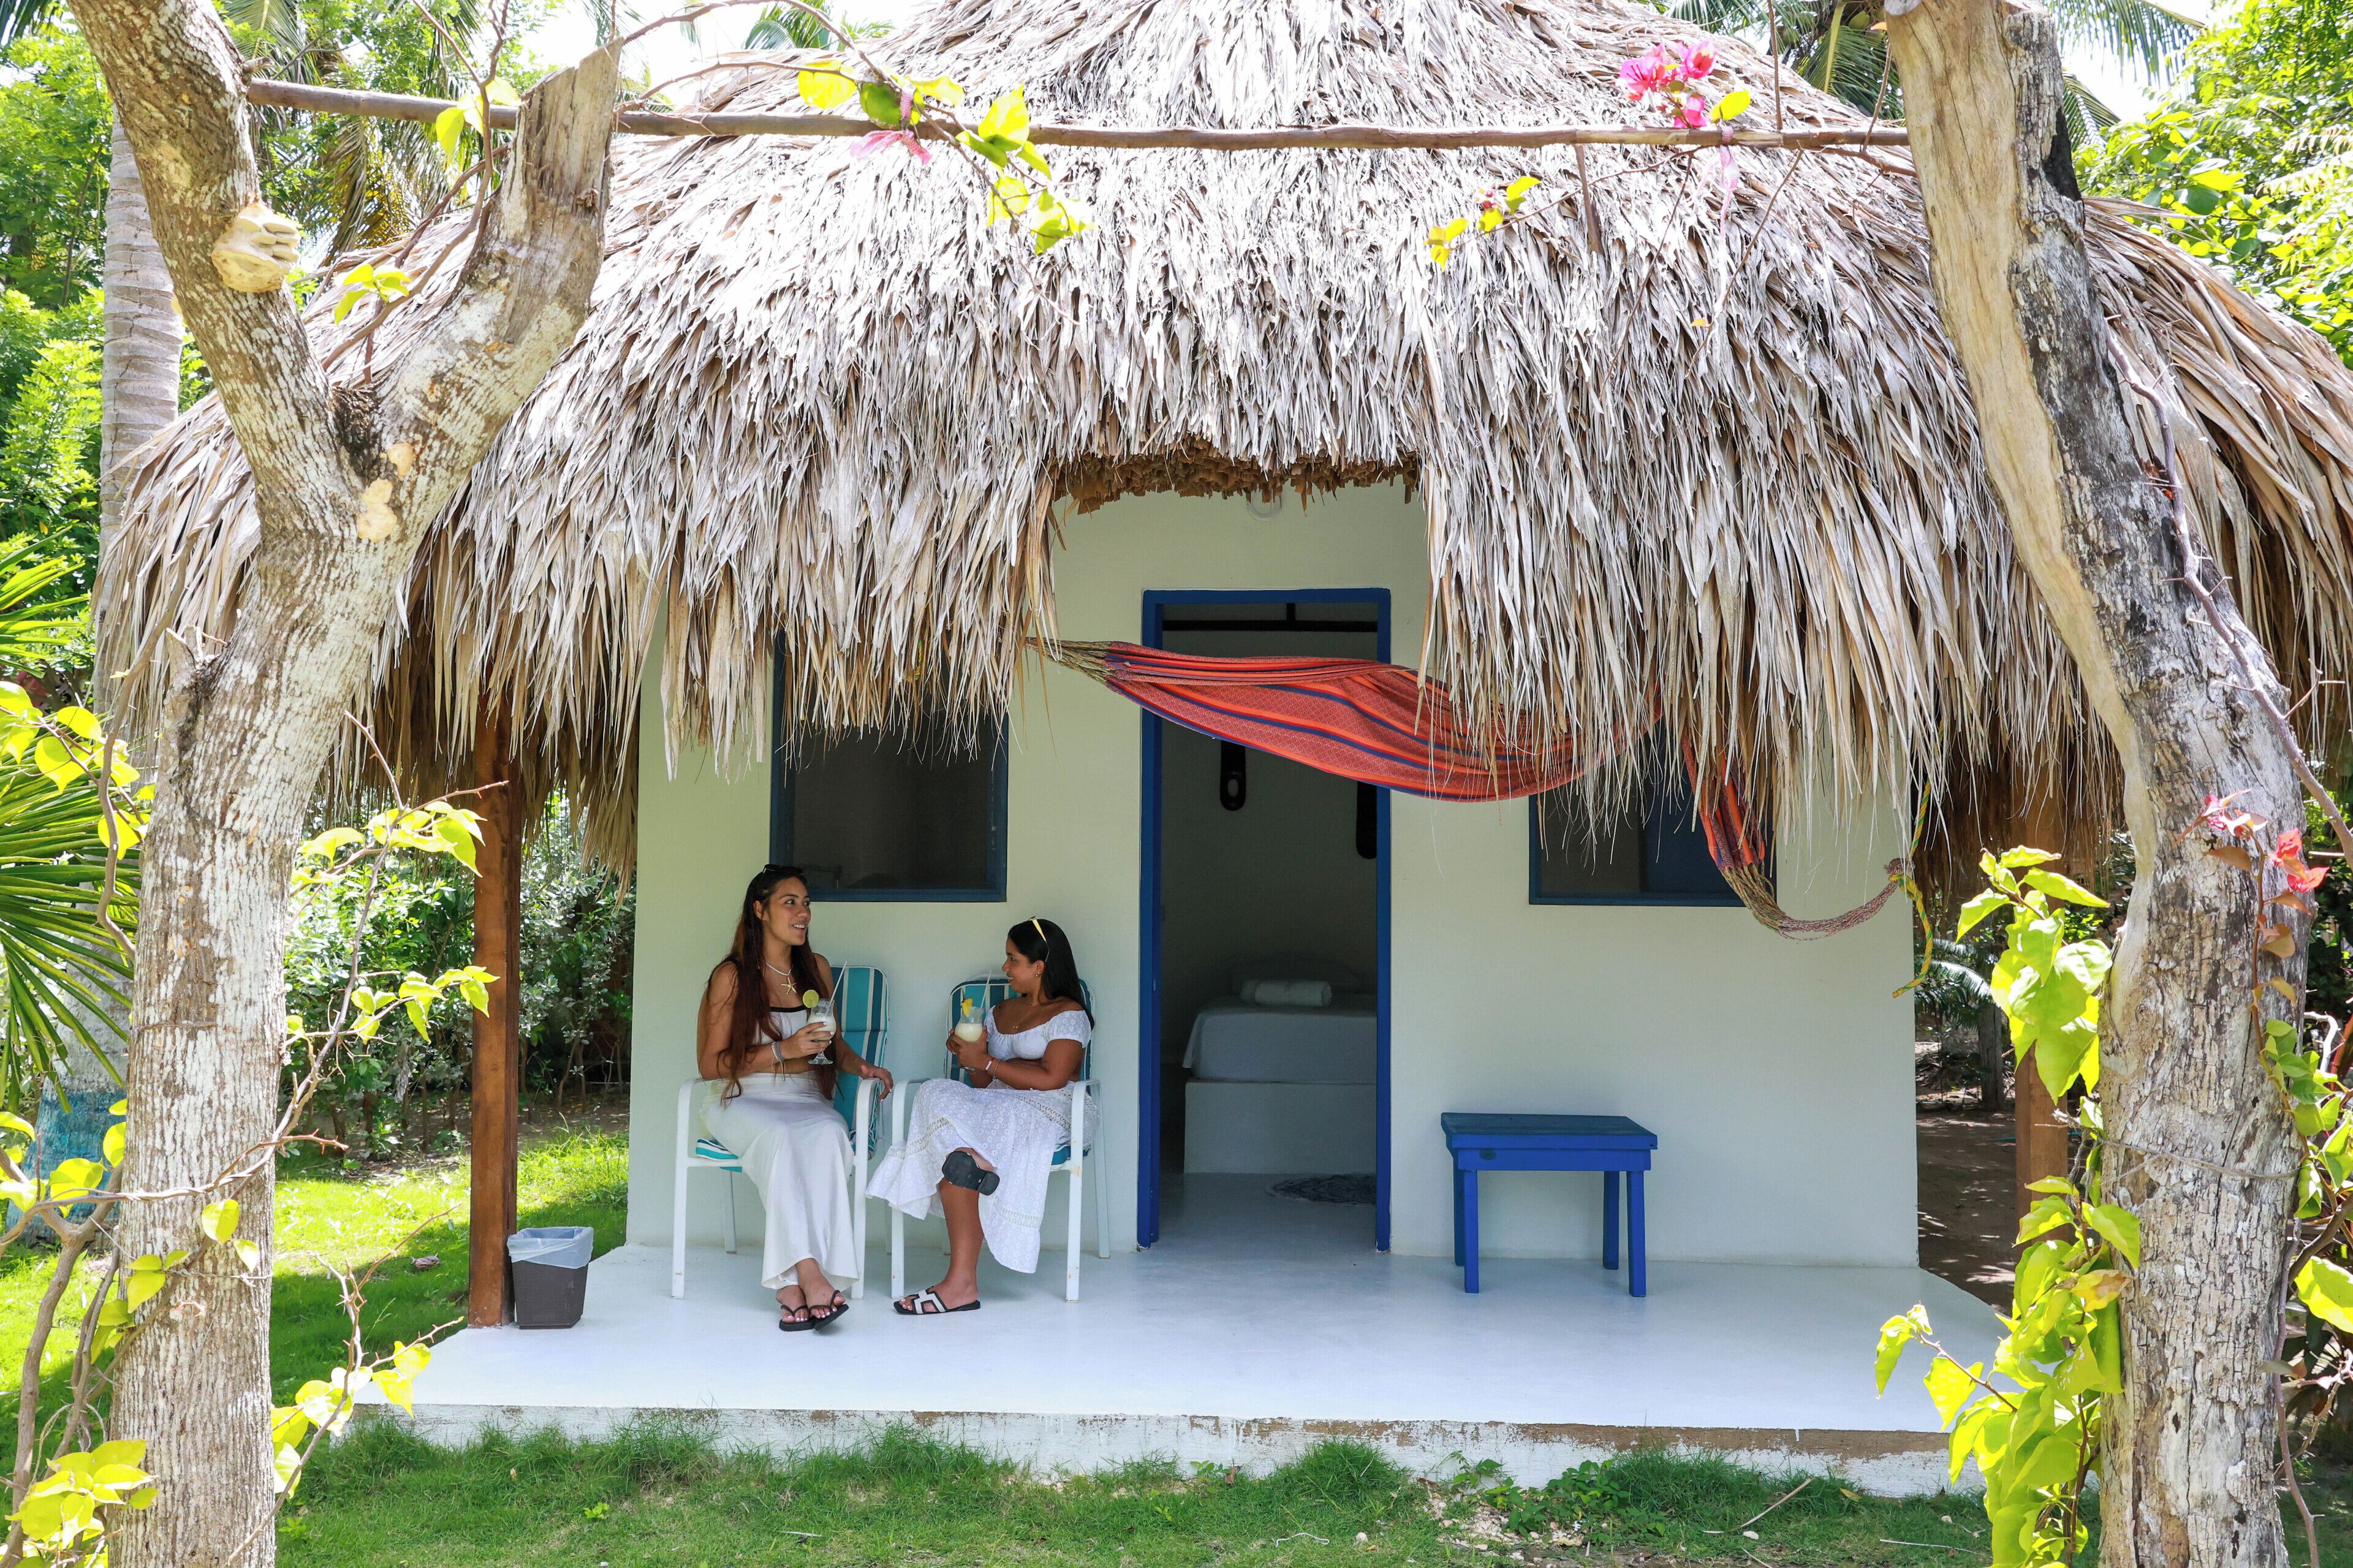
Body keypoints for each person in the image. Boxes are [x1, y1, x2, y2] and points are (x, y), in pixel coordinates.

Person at [696, 864, 893, 1330]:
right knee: (783, 1138)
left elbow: (833, 1044)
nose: (803, 912)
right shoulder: (732, 976)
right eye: (791, 902)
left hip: (804, 1096)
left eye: (806, 903)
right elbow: (711, 1065)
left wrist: (859, 1065)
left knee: (828, 1134)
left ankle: (792, 1287)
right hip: (743, 1098)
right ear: (760, 910)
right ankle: (808, 1271)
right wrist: (782, 1049)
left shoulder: (817, 968)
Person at [868, 917, 1092, 1314]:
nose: (1005, 968)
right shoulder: (1001, 1010)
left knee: (974, 1145)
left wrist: (986, 1059)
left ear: (1039, 966)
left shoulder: (1069, 1014)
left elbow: (1055, 1077)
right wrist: (969, 1057)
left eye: (1013, 959)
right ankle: (972, 1165)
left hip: (1048, 1108)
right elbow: (983, 1085)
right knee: (936, 1091)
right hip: (997, 1105)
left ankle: (960, 1279)